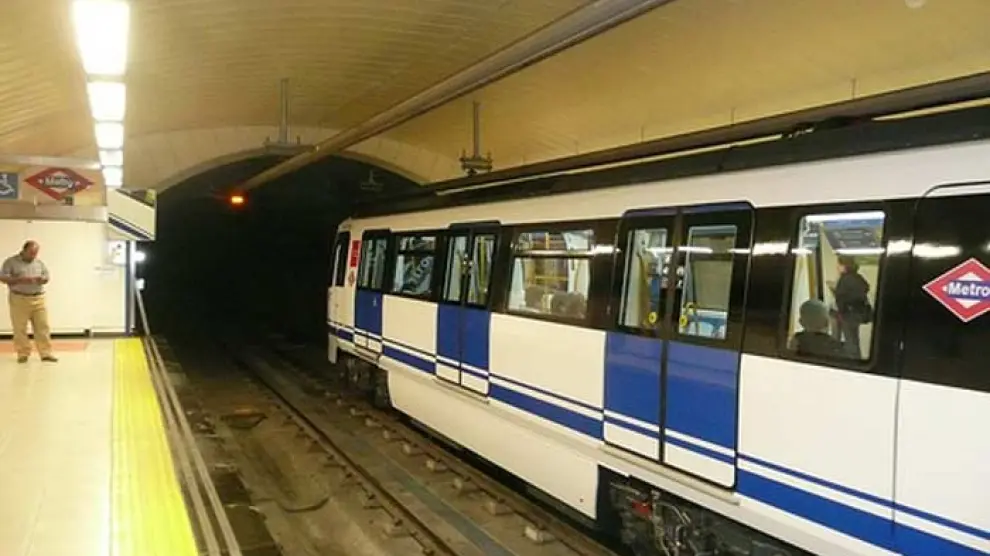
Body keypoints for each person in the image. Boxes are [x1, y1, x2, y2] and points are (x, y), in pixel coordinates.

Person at [0, 241, 57, 363]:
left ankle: (46, 353)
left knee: (43, 326)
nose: (33, 255)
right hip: (19, 298)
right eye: (31, 253)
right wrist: (20, 280)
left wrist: (42, 279)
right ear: (24, 250)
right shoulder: (10, 262)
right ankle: (23, 353)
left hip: (38, 298)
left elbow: (46, 276)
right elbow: (3, 278)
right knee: (20, 328)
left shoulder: (39, 263)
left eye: (35, 253)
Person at [829, 255, 872, 359]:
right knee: (853, 340)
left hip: (846, 314)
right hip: (854, 314)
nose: (837, 267)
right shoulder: (858, 277)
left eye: (839, 264)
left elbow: (841, 297)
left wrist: (834, 291)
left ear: (844, 265)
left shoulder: (845, 279)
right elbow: (864, 289)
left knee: (849, 342)